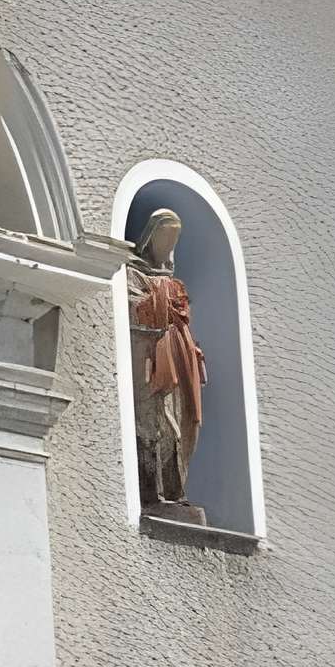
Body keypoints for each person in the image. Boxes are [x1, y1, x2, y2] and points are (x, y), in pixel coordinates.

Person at [128, 208, 207, 514]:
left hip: (178, 355)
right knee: (153, 422)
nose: (166, 245)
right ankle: (151, 492)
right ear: (150, 239)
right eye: (163, 238)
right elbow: (137, 308)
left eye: (172, 240)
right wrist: (160, 302)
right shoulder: (133, 273)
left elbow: (181, 314)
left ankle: (175, 489)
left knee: (179, 423)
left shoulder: (174, 283)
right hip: (150, 357)